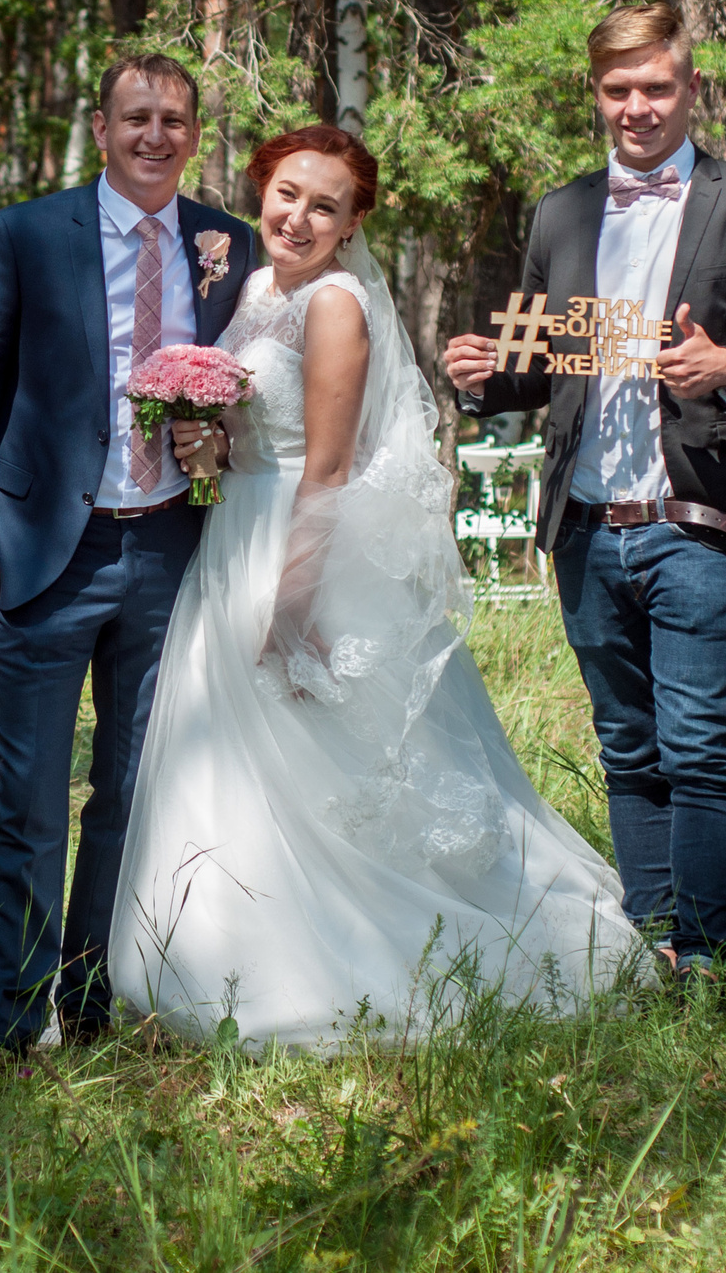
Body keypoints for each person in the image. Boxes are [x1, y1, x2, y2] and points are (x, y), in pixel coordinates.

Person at [111, 126, 641, 1048]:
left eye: (325, 205)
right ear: (260, 193)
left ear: (355, 221)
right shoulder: (250, 290)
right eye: (286, 194)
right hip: (234, 533)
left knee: (337, 770)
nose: (299, 217)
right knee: (232, 762)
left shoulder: (336, 306)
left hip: (297, 554)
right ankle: (215, 952)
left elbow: (326, 469)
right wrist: (211, 444)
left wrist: (293, 602)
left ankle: (356, 964)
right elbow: (251, 434)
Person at [441, 3, 726, 983]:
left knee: (697, 746)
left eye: (656, 87)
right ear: (594, 94)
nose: (637, 107)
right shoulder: (560, 211)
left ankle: (710, 960)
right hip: (586, 527)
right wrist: (481, 372)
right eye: (617, 89)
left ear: (690, 88)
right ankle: (649, 947)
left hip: (699, 516)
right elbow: (540, 368)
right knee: (627, 745)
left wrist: (722, 361)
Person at [0, 53, 255, 1088]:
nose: (154, 135)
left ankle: (93, 994)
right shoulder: (23, 235)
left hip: (170, 546)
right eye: (135, 117)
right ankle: (7, 1022)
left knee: (131, 789)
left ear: (193, 131)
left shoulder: (226, 243)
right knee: (26, 797)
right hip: (45, 555)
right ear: (101, 124)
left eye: (172, 119)